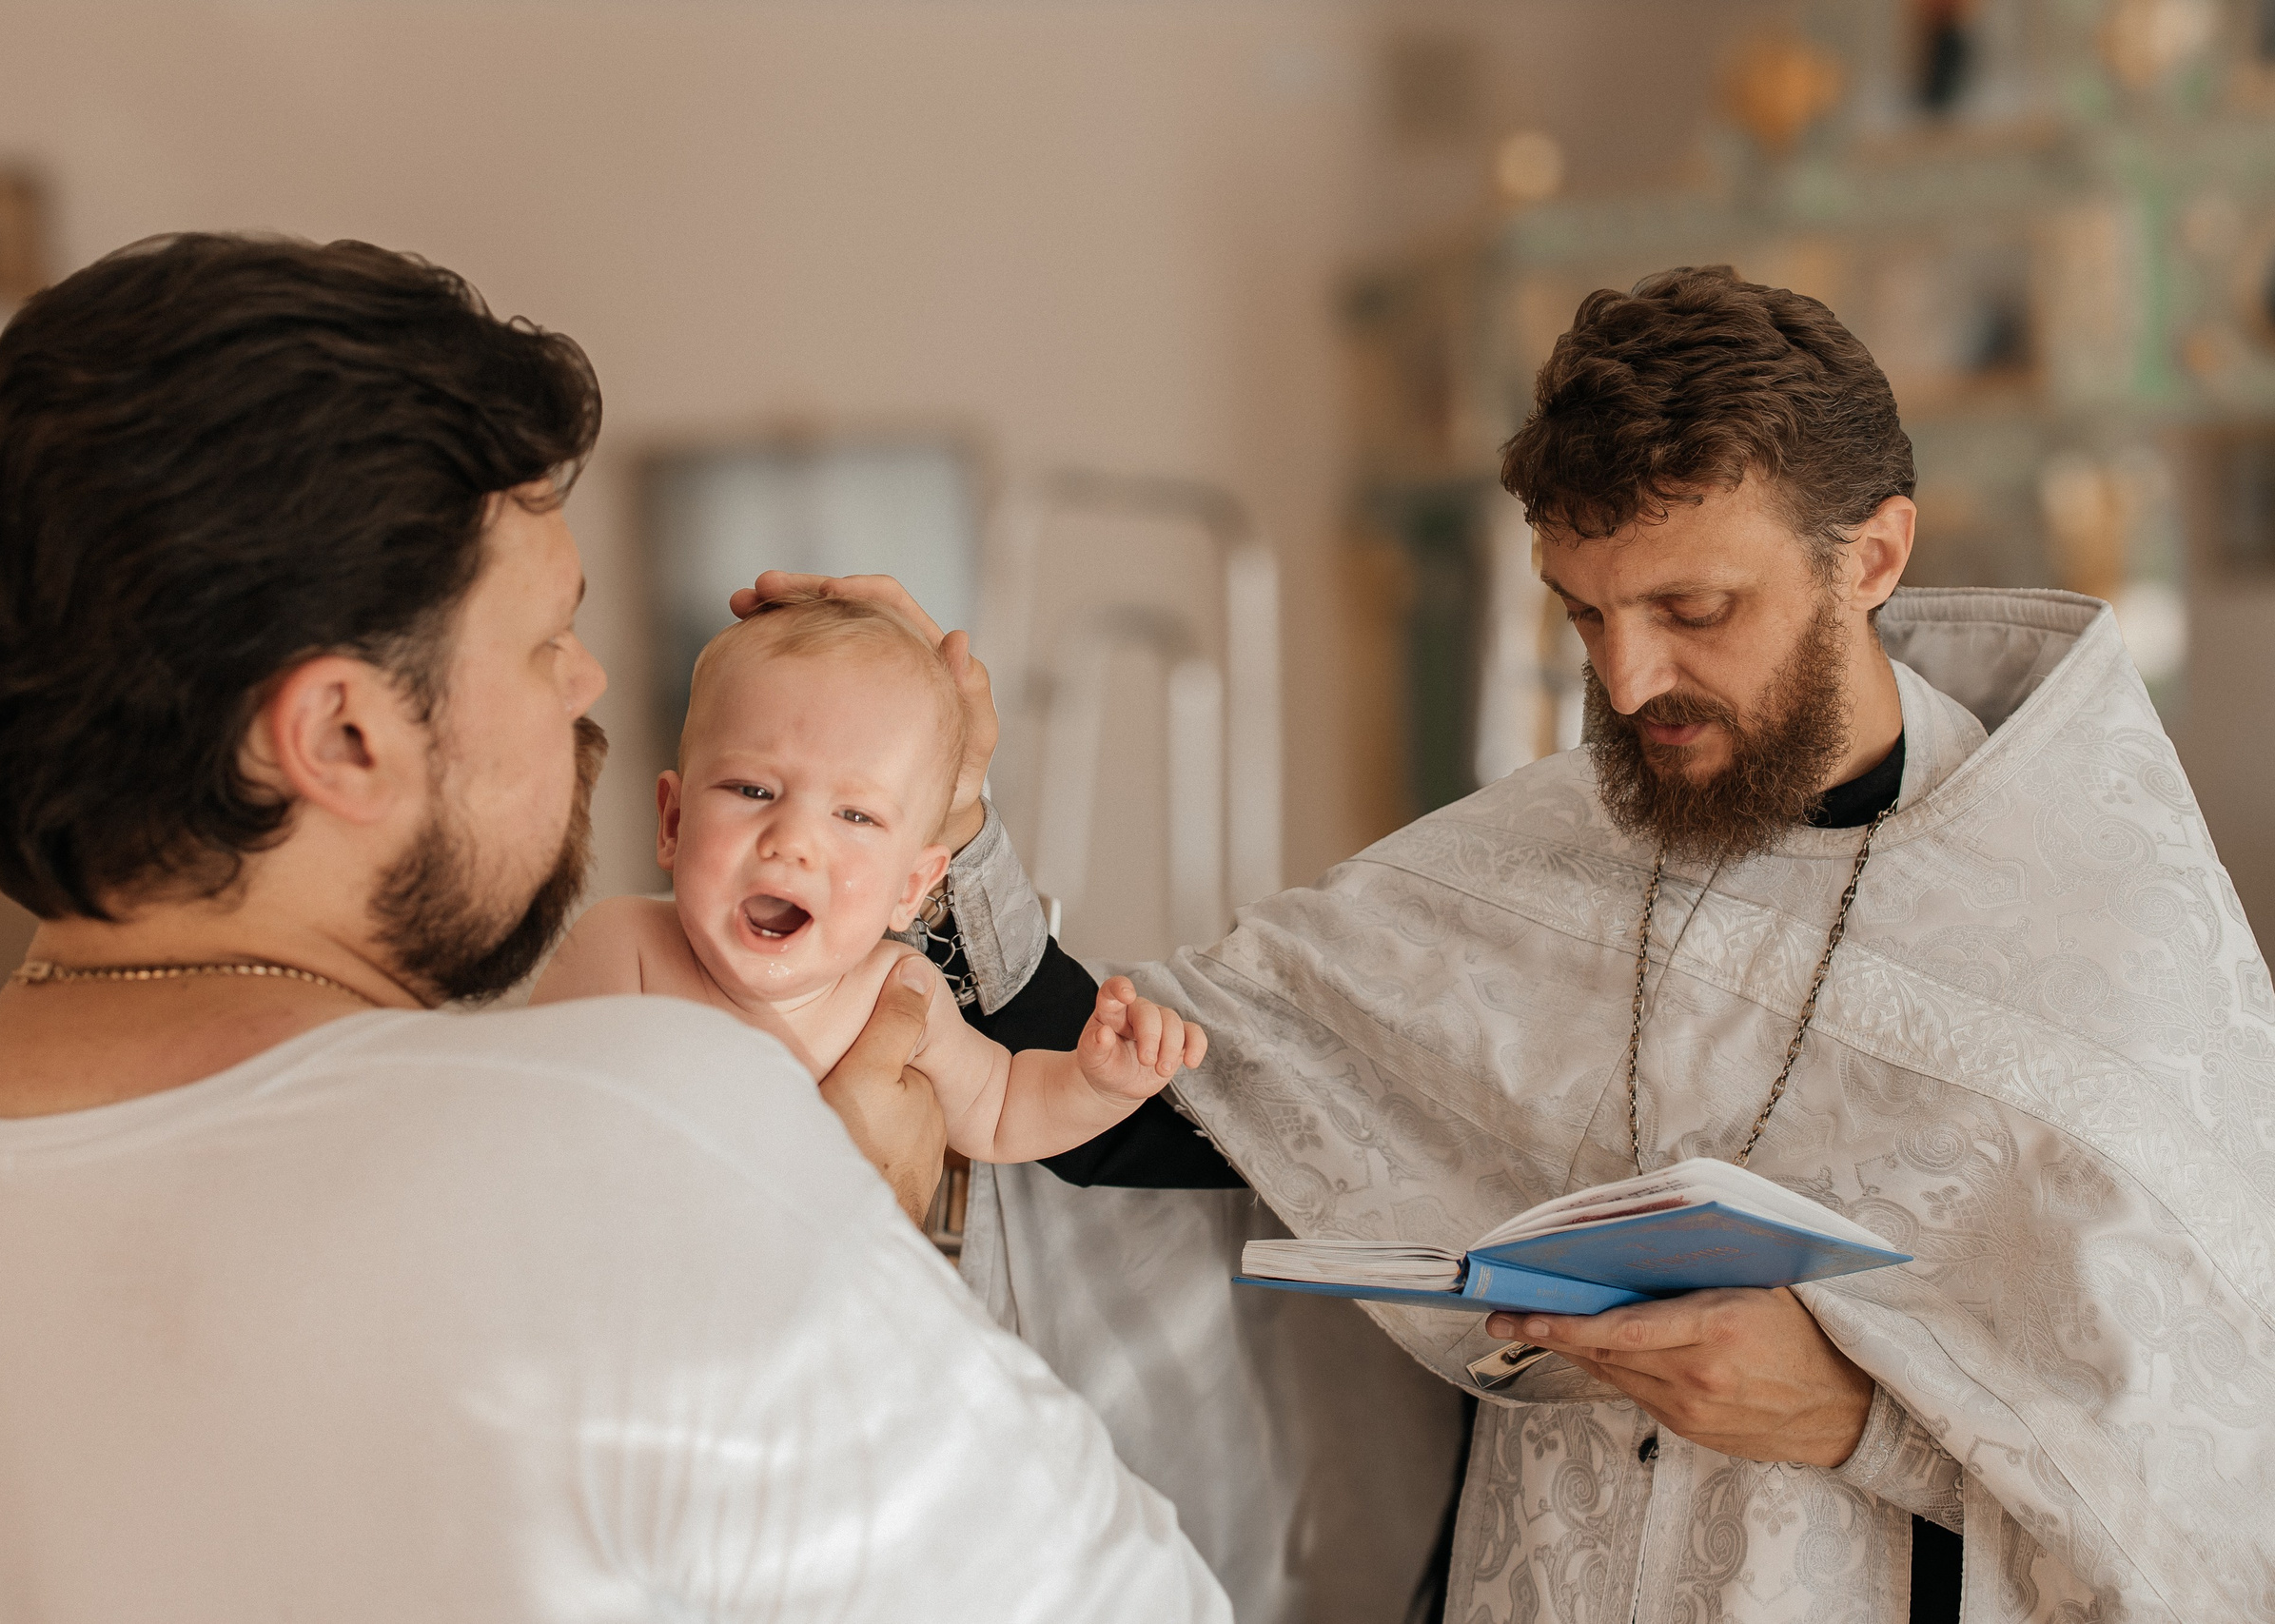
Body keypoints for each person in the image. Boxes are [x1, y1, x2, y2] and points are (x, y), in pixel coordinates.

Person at [747, 267, 2275, 1623]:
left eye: (1693, 606)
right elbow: (1166, 1105)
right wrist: (943, 816)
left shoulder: (2101, 937)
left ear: (1871, 558)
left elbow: (2216, 1490)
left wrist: (1860, 1416)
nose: (1629, 679)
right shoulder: (1543, 852)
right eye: (1584, 614)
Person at [0, 231, 1228, 1623]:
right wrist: (864, 1218)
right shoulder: (635, 1132)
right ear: (340, 733)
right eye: (541, 638)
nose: (589, 679)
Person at [533, 592, 1207, 1160]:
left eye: (854, 814)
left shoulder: (896, 991)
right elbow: (531, 1123)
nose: (793, 841)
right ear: (674, 822)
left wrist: (1100, 1086)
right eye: (752, 790)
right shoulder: (624, 952)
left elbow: (1001, 1107)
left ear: (913, 886)